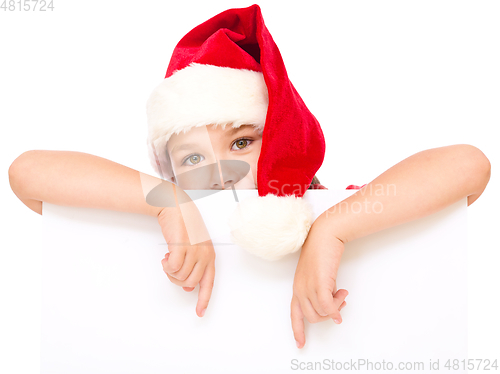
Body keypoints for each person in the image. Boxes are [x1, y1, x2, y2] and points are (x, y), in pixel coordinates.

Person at [7, 4, 491, 351]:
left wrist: (332, 228)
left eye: (242, 142)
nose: (219, 171)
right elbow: (27, 173)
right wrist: (166, 201)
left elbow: (468, 166)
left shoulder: (338, 208)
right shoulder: (168, 212)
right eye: (191, 160)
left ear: (283, 135)